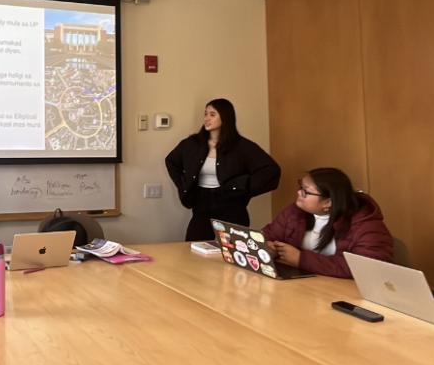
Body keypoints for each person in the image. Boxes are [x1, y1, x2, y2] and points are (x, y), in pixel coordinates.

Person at [165, 98, 280, 240]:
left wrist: (243, 185)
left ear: (225, 117)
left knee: (232, 250)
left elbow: (271, 170)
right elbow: (171, 161)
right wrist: (183, 185)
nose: (207, 118)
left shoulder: (242, 146)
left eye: (212, 114)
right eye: (205, 114)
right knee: (194, 247)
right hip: (201, 204)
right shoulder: (192, 144)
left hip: (231, 205)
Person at [262, 167, 393, 278]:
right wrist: (269, 248)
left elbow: (368, 268)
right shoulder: (295, 212)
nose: (298, 192)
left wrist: (301, 259)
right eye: (300, 186)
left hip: (346, 292)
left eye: (305, 191)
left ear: (328, 202)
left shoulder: (365, 224)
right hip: (306, 286)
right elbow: (267, 235)